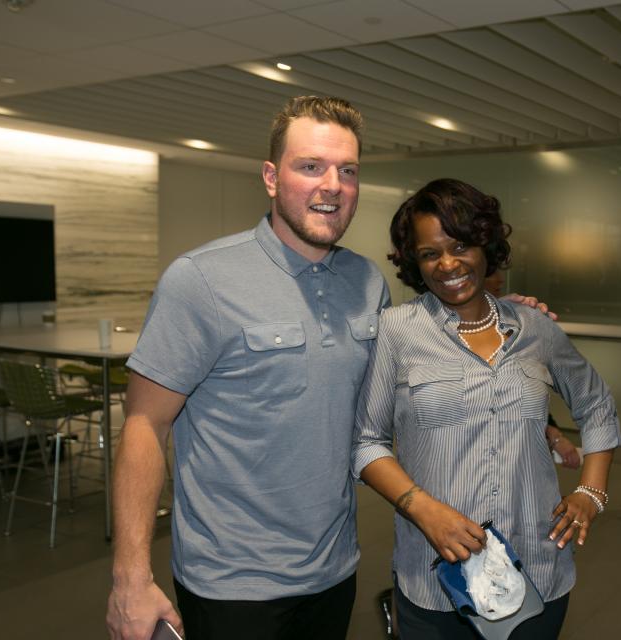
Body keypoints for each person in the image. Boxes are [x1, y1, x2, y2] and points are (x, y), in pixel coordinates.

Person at [106, 97, 554, 640]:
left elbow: (421, 383)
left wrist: (500, 319)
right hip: (231, 581)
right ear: (272, 177)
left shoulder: (366, 284)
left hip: (334, 569)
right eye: (311, 166)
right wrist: (130, 575)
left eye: (348, 171)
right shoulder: (201, 279)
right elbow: (144, 425)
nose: (332, 185)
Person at [352, 178, 621, 639]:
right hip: (437, 576)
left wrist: (590, 493)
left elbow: (596, 406)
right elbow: (365, 444)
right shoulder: (397, 332)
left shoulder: (536, 329)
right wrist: (424, 510)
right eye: (429, 253)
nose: (448, 264)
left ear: (486, 246)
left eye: (460, 245)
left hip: (536, 565)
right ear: (414, 263)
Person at [485, 269, 580, 469]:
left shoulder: (510, 324)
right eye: (491, 272)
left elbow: (525, 393)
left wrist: (553, 433)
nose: (500, 279)